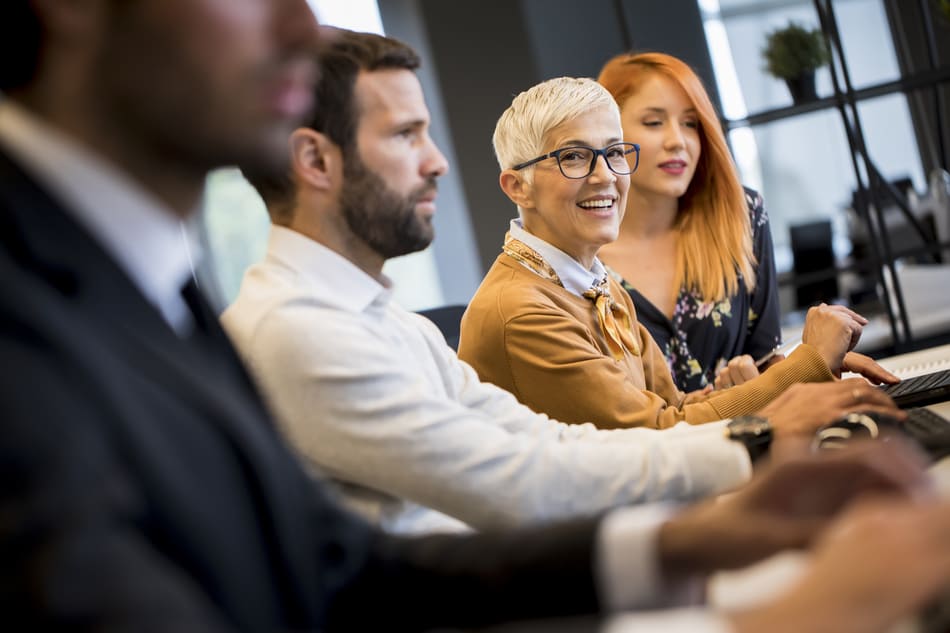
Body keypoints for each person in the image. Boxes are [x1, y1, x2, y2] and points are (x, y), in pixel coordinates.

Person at [2, 6, 949, 631]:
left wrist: (689, 536)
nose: (293, 22)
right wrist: (771, 599)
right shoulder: (272, 324)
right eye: (406, 134)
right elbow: (515, 484)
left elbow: (359, 564)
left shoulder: (202, 296)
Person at [223, 29, 901, 535]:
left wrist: (758, 414)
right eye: (406, 135)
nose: (438, 163)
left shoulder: (391, 323)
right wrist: (761, 428)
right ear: (315, 160)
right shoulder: (299, 332)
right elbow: (519, 484)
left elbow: (546, 443)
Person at [457, 76, 893, 430]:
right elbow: (661, 433)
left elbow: (675, 406)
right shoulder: (522, 312)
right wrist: (807, 364)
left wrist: (804, 370)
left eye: (614, 152)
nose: (605, 176)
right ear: (518, 187)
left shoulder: (591, 281)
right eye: (573, 157)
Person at [595, 52, 787, 392]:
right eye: (654, 123)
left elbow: (768, 358)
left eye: (690, 123)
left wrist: (811, 365)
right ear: (608, 136)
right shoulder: (580, 266)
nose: (677, 141)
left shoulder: (741, 215)